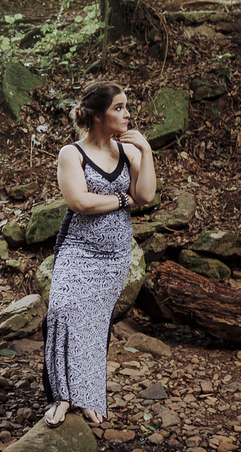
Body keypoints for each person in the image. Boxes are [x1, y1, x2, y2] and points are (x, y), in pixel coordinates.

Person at [43, 81, 156, 427]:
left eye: (126, 106)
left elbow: (147, 196)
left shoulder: (130, 152)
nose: (127, 113)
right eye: (118, 108)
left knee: (94, 323)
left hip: (115, 254)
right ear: (96, 115)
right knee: (62, 311)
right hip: (78, 248)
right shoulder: (71, 154)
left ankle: (88, 398)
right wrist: (123, 200)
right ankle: (61, 397)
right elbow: (79, 202)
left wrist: (147, 152)